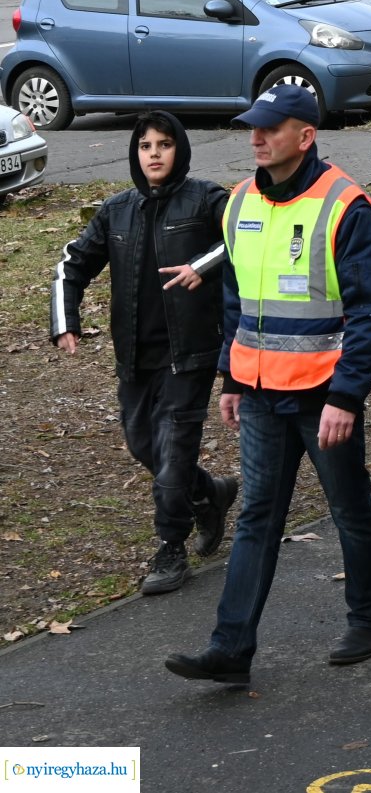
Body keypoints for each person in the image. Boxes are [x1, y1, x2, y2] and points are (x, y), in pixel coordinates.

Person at [165, 84, 371, 684]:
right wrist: (231, 377)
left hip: (323, 394)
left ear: (306, 136)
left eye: (270, 128)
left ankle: (369, 620)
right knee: (258, 518)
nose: (257, 138)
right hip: (261, 392)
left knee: (349, 508)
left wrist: (347, 396)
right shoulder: (240, 202)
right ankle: (230, 648)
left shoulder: (346, 206)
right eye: (253, 127)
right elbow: (237, 298)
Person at [51, 112, 237, 596]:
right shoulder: (117, 210)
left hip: (191, 353)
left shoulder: (206, 199)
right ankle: (209, 493)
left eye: (164, 144)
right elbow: (73, 263)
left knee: (174, 451)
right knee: (142, 444)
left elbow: (248, 235)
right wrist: (64, 320)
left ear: (181, 150)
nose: (153, 153)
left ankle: (170, 547)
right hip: (135, 355)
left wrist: (203, 266)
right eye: (145, 145)